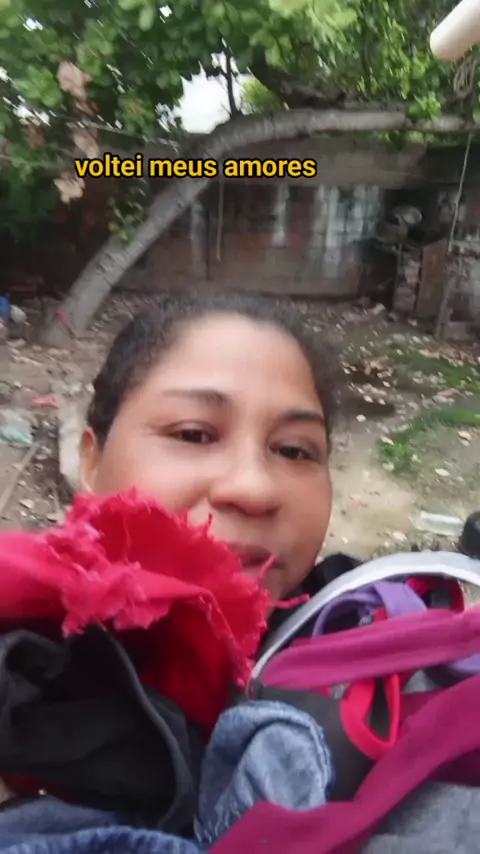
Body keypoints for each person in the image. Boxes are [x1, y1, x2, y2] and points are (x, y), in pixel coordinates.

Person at [80, 287, 357, 619]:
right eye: (193, 435)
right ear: (92, 461)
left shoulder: (369, 625)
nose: (254, 490)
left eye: (293, 451)